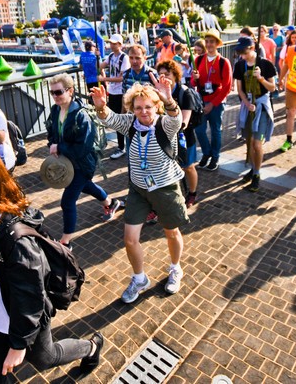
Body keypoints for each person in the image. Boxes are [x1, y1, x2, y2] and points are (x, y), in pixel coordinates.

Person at [0, 146, 103, 383]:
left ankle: (91, 347)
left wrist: (19, 344)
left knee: (45, 358)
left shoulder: (14, 238)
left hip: (21, 319)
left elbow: (31, 295)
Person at [90, 80, 189, 303]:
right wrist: (101, 106)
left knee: (171, 232)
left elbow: (177, 118)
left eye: (148, 107)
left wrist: (169, 99)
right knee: (129, 239)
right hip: (138, 188)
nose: (143, 112)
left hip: (165, 187)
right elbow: (110, 118)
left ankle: (175, 268)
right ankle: (139, 278)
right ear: (132, 109)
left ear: (156, 107)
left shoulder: (165, 124)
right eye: (138, 107)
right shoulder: (131, 124)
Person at [46, 73, 121, 243]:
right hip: (68, 162)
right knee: (86, 186)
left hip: (82, 164)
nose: (55, 96)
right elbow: (52, 132)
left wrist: (60, 147)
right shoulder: (56, 109)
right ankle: (110, 202)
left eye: (58, 92)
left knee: (67, 201)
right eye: (52, 93)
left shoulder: (82, 115)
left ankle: (66, 241)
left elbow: (84, 147)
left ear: (70, 91)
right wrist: (52, 144)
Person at [232, 36, 277, 191]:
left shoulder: (265, 64)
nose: (241, 55)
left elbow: (272, 88)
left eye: (243, 52)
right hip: (248, 107)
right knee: (249, 142)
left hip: (262, 107)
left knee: (257, 144)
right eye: (239, 52)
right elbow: (239, 89)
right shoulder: (239, 66)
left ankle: (257, 173)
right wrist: (246, 103)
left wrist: (261, 79)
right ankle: (253, 168)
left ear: (252, 48)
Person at [156, 60, 199, 205]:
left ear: (175, 75)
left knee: (188, 166)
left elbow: (185, 122)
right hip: (165, 139)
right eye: (160, 74)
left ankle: (192, 193)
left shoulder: (184, 93)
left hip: (184, 138)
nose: (164, 77)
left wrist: (172, 125)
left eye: (167, 74)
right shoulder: (157, 93)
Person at [192, 30, 233, 171]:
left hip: (216, 102)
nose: (209, 44)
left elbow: (227, 86)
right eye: (207, 41)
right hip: (202, 100)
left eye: (212, 42)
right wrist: (194, 78)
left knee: (216, 130)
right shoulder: (198, 60)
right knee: (199, 130)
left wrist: (213, 104)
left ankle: (215, 156)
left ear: (217, 44)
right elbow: (193, 82)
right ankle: (206, 152)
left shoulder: (223, 62)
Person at [100, 34, 130, 159]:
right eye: (111, 43)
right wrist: (97, 57)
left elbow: (122, 78)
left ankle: (122, 147)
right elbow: (101, 66)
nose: (112, 45)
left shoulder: (125, 58)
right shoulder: (111, 56)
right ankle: (121, 145)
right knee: (114, 119)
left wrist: (104, 78)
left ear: (120, 44)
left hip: (121, 93)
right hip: (112, 92)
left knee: (121, 119)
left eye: (114, 43)